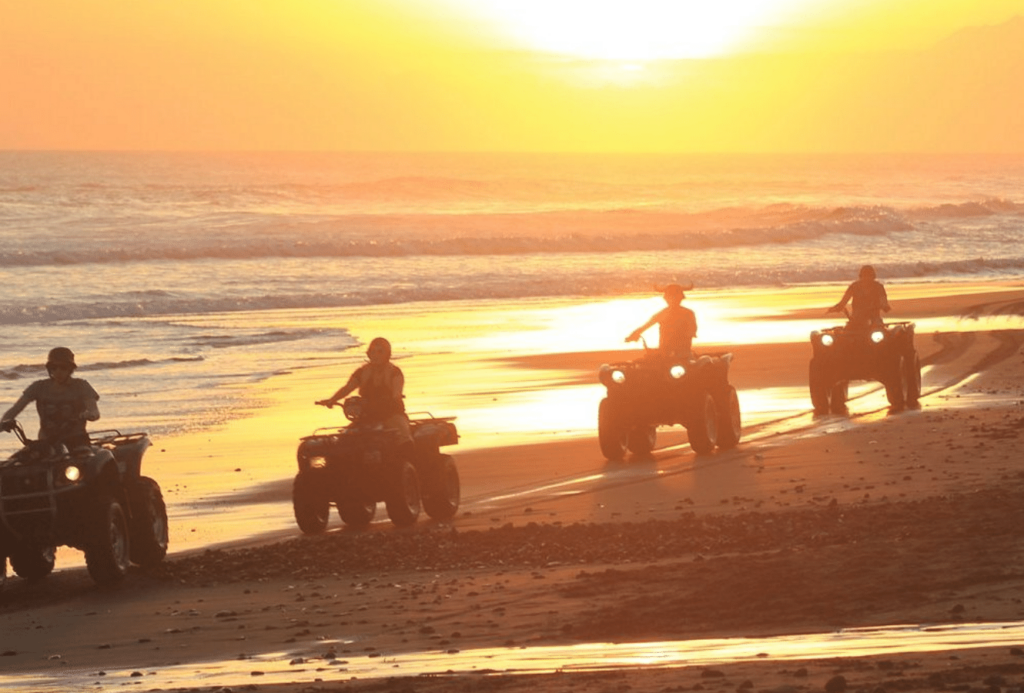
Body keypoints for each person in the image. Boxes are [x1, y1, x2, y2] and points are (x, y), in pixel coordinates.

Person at [0, 347, 100, 450]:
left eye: (63, 367)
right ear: (49, 369)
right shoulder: (39, 386)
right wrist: (4, 423)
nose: (58, 371)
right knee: (21, 460)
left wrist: (89, 415)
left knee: (82, 456)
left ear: (70, 369)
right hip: (46, 442)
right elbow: (16, 408)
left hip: (76, 440)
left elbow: (95, 412)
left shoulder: (81, 386)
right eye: (54, 368)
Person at [316, 337, 412, 442]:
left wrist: (394, 398)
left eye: (380, 351)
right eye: (372, 351)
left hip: (392, 414)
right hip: (368, 415)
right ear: (368, 354)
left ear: (387, 354)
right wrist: (332, 400)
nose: (376, 355)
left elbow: (397, 393)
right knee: (345, 439)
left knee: (404, 435)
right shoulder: (362, 372)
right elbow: (348, 388)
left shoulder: (395, 373)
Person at [626, 283, 698, 359]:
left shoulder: (688, 313)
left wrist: (689, 334)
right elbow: (646, 325)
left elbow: (692, 329)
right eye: (670, 297)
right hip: (665, 351)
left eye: (675, 297)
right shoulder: (664, 313)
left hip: (683, 352)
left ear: (680, 297)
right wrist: (634, 335)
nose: (672, 300)